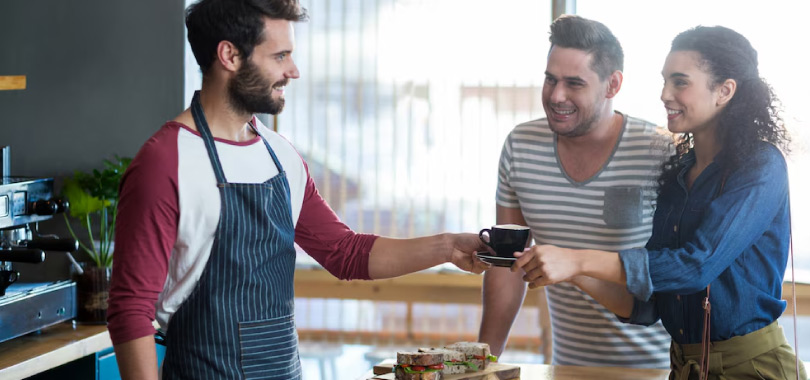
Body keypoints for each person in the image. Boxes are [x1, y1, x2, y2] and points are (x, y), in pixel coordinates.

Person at [105, 1, 490, 379]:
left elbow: (345, 253)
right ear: (229, 56)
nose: (294, 70)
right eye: (280, 55)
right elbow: (130, 310)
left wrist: (448, 247)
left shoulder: (281, 155)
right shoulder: (165, 162)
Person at [516, 25, 806, 379]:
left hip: (752, 369)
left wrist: (578, 258)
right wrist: (571, 272)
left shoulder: (761, 166)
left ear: (724, 91)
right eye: (665, 80)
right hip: (684, 368)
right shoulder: (678, 173)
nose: (665, 94)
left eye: (680, 82)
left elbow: (695, 266)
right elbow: (649, 305)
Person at [478, 14, 671, 368]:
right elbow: (508, 267)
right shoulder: (521, 146)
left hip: (657, 369)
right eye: (550, 79)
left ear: (613, 85)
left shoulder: (659, 150)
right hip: (567, 367)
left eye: (574, 83)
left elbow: (679, 272)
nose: (556, 95)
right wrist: (485, 361)